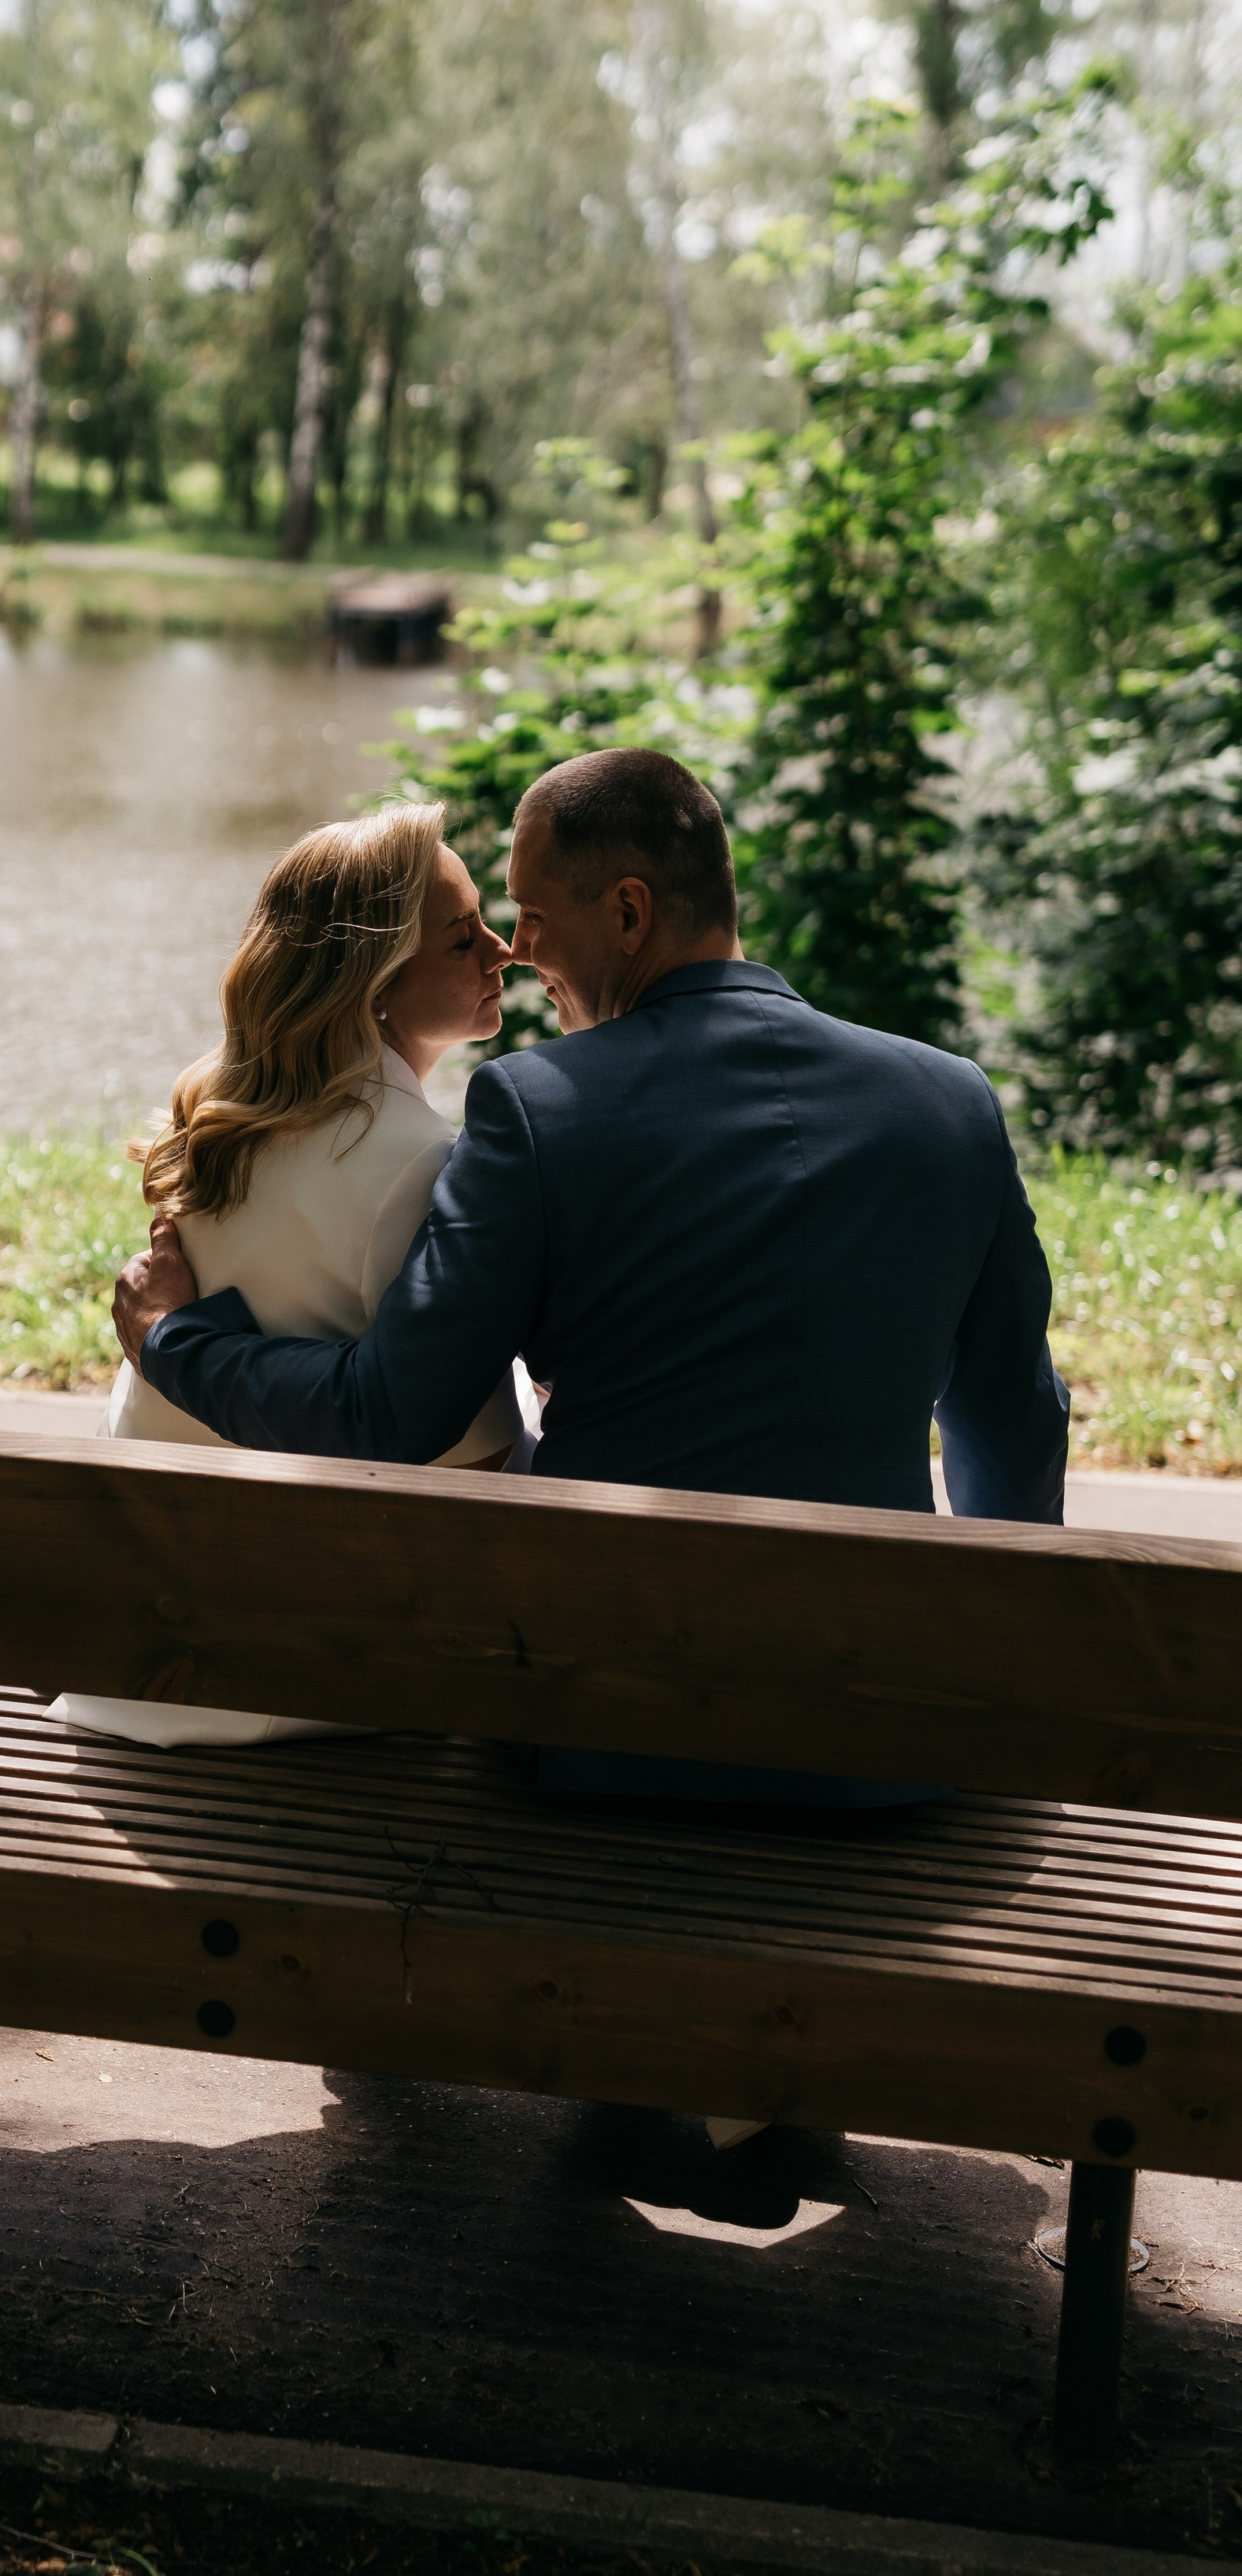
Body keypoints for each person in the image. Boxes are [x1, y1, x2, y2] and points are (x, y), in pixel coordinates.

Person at [112, 745, 1070, 1808]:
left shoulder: (539, 1110)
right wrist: (1005, 1669)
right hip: (882, 1750)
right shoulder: (952, 1103)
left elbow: (390, 1409)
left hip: (611, 1738)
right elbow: (1017, 1421)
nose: (517, 955)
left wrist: (175, 1339)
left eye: (530, 916)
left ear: (628, 914)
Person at [55, 800, 526, 1750]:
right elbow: (467, 1458)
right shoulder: (419, 1163)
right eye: (459, 936)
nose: (501, 951)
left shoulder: (221, 1122)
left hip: (135, 1645)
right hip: (280, 1670)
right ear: (375, 983)